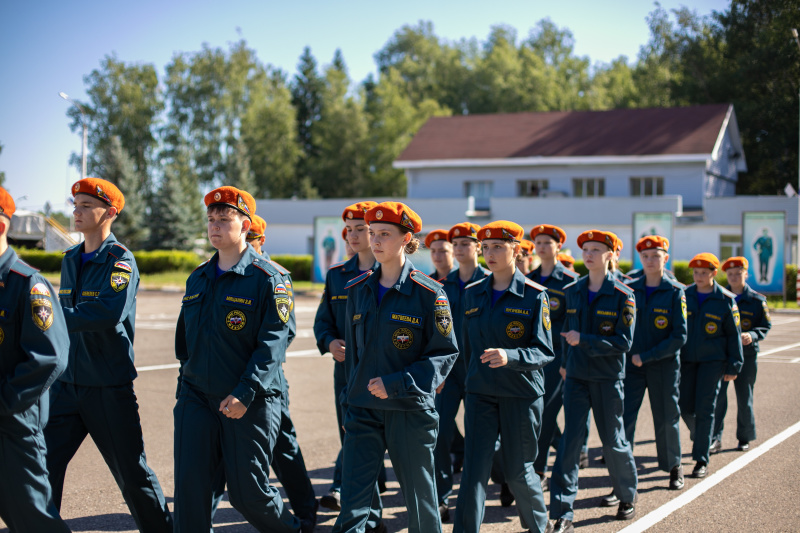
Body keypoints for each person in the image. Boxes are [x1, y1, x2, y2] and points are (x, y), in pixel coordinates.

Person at [173, 186, 310, 532]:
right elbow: (184, 340)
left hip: (249, 399)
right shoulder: (198, 277)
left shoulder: (270, 279)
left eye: (224, 219)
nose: (215, 226)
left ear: (246, 226)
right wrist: (185, 382)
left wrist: (245, 392)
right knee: (190, 488)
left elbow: (274, 342)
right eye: (211, 220)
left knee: (247, 494)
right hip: (196, 396)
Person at [45, 178, 173, 531]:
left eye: (87, 205)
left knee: (132, 474)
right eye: (75, 204)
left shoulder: (121, 261)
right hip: (67, 384)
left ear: (110, 213)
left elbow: (105, 313)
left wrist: (49, 317)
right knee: (41, 465)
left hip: (106, 385)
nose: (77, 211)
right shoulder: (70, 258)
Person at [333, 201, 458, 533]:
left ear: (406, 239)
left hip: (409, 410)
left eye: (384, 234)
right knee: (353, 503)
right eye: (372, 233)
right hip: (362, 411)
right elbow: (355, 362)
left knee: (420, 501)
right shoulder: (356, 291)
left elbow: (444, 354)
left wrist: (397, 383)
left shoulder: (430, 294)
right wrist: (349, 405)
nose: (375, 241)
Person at [207, 211, 319, 528]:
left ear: (258, 239)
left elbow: (286, 333)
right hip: (224, 381)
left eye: (253, 241)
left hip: (266, 382)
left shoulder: (274, 277)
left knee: (283, 448)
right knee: (215, 459)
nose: (248, 247)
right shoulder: (220, 271)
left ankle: (305, 512)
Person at [452, 221, 555, 533]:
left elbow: (545, 351)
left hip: (521, 394)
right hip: (481, 393)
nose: (490, 253)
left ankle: (539, 526)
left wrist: (511, 356)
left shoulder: (535, 296)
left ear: (516, 250)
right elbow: (465, 348)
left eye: (498, 246)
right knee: (474, 470)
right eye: (485, 248)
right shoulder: (471, 295)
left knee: (518, 469)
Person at [549, 230, 638, 533]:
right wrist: (564, 363)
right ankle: (563, 511)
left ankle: (626, 495)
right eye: (585, 249)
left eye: (596, 249)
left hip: (607, 377)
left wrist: (584, 340)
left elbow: (624, 342)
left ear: (611, 255)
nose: (588, 254)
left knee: (612, 440)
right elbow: (565, 332)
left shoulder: (624, 295)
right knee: (571, 443)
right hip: (575, 376)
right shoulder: (573, 290)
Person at [0, 188, 72, 532]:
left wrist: (3, 400)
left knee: (33, 521)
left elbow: (48, 357)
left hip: (12, 424)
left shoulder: (28, 284)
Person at [314, 201, 387, 532]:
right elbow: (323, 322)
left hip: (383, 376)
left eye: (363, 229)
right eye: (351, 230)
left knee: (372, 442)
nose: (356, 235)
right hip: (346, 374)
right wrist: (330, 342)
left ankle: (348, 493)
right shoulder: (337, 276)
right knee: (352, 436)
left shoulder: (388, 274)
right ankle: (368, 511)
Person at [619, 236, 687, 496]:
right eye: (645, 256)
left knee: (667, 417)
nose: (649, 260)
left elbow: (679, 336)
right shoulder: (629, 289)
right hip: (631, 366)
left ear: (665, 259)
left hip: (663, 366)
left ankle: (674, 468)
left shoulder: (674, 291)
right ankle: (623, 473)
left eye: (655, 256)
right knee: (624, 418)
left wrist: (646, 356)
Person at [434, 222, 488, 522]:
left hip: (482, 371)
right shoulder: (444, 285)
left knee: (485, 437)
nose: (459, 249)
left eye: (466, 243)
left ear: (478, 247)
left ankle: (504, 478)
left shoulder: (490, 282)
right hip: (450, 373)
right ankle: (442, 497)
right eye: (456, 244)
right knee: (440, 434)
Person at [680, 253, 743, 479]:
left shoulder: (726, 300)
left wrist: (734, 364)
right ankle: (700, 435)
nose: (699, 277)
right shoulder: (684, 295)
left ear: (714, 274)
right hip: (686, 362)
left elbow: (733, 335)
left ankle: (701, 459)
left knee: (706, 409)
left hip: (713, 363)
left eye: (704, 273)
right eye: (696, 273)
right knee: (684, 406)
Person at [528, 225, 578, 489]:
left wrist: (567, 363)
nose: (542, 246)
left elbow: (573, 323)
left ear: (559, 247)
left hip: (557, 358)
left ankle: (539, 470)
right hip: (531, 358)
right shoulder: (529, 278)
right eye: (538, 242)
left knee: (546, 414)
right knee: (533, 414)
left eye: (548, 242)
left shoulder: (570, 281)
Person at [712, 257, 770, 452]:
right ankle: (715, 438)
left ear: (746, 274)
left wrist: (752, 335)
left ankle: (744, 437)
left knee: (744, 397)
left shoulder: (756, 301)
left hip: (747, 355)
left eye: (738, 273)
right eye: (730, 274)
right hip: (723, 355)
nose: (735, 277)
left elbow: (765, 325)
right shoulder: (719, 297)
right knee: (718, 398)